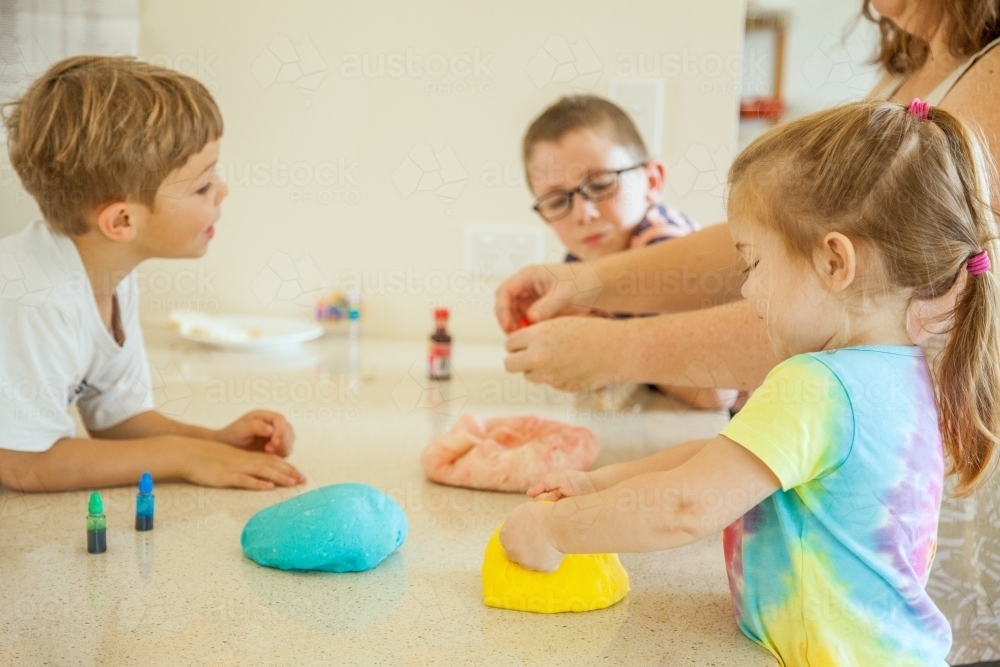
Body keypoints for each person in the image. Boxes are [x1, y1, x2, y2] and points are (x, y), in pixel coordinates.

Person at [495, 3, 1000, 661]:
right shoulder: (885, 368)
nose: (747, 286)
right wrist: (604, 482)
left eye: (754, 263)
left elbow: (686, 503)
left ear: (836, 261)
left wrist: (555, 529)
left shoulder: (817, 384)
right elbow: (733, 454)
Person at [0, 56, 306, 492]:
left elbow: (116, 417)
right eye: (202, 186)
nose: (223, 190)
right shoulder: (33, 299)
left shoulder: (111, 274)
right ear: (122, 222)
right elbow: (24, 464)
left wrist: (213, 442)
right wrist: (183, 456)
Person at [520, 94, 738, 409]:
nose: (583, 213)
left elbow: (715, 393)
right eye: (556, 201)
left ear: (652, 180)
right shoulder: (582, 259)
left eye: (600, 184)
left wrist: (603, 349)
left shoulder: (663, 240)